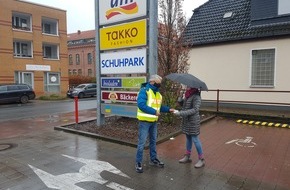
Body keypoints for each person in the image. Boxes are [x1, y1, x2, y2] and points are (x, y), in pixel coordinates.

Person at [135, 74, 175, 173]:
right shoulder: (144, 91)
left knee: (153, 141)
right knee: (142, 143)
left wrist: (168, 109)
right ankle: (138, 162)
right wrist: (154, 112)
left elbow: (159, 107)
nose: (159, 85)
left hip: (153, 122)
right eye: (158, 83)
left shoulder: (158, 94)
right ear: (152, 82)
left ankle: (153, 159)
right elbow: (141, 105)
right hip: (144, 121)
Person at [173, 87, 205, 168]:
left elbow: (195, 109)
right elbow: (185, 106)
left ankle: (201, 159)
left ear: (193, 87)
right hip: (187, 120)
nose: (186, 87)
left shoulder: (196, 96)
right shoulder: (188, 95)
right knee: (188, 137)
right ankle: (187, 156)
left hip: (193, 121)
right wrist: (180, 100)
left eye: (188, 86)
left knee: (195, 139)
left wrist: (180, 113)